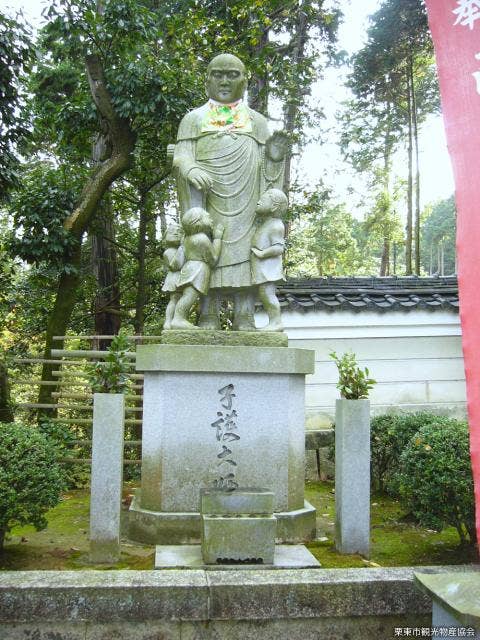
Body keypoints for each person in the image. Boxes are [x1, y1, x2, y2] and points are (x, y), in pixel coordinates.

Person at [173, 53, 288, 330]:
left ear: (245, 81)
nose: (225, 80)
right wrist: (190, 169)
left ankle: (245, 316)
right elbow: (181, 155)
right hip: (208, 199)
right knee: (207, 250)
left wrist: (273, 158)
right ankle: (207, 315)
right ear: (207, 80)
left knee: (247, 252)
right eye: (218, 74)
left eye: (232, 74)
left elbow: (267, 172)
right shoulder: (193, 119)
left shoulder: (257, 122)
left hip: (248, 203)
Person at [171, 208, 224, 330]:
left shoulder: (187, 239)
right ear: (198, 222)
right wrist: (217, 238)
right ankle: (178, 319)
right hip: (198, 270)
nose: (211, 219)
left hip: (189, 267)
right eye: (207, 216)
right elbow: (214, 259)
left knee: (188, 295)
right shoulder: (202, 238)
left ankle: (179, 318)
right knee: (189, 295)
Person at [251, 188, 288, 332]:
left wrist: (262, 254)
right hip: (261, 268)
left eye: (264, 199)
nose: (259, 201)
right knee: (263, 294)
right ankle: (274, 321)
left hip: (268, 268)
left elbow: (279, 248)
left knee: (268, 294)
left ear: (273, 207)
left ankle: (276, 322)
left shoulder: (276, 225)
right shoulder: (264, 223)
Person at [161, 223, 185, 330]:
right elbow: (176, 265)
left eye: (179, 232)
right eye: (172, 232)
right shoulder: (169, 251)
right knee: (174, 299)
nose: (176, 233)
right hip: (175, 277)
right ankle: (168, 321)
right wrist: (182, 247)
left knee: (179, 299)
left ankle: (177, 320)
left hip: (181, 277)